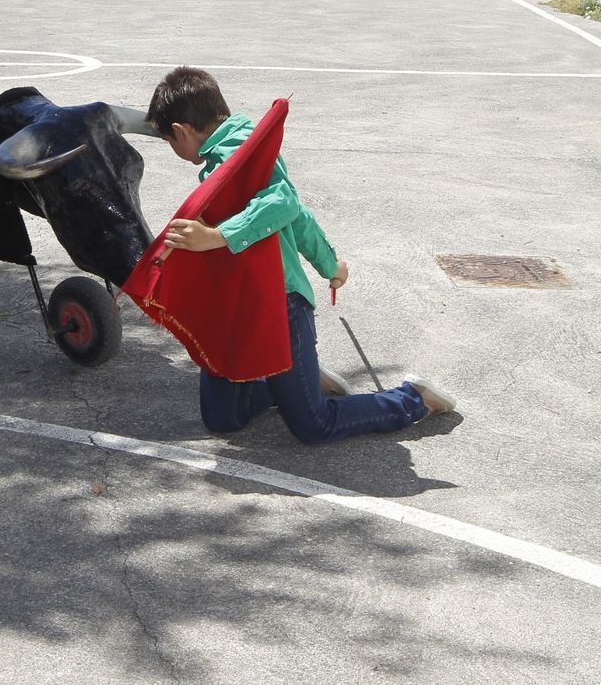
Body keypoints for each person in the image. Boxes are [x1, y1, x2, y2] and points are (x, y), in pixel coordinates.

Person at [145, 66, 455, 444]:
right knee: (223, 417)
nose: (174, 151)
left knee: (313, 424)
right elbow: (299, 218)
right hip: (239, 300)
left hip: (280, 302)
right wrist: (330, 264)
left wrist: (216, 236)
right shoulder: (231, 153)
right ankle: (300, 381)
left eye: (168, 142)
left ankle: (413, 399)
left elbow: (285, 204)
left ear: (180, 131)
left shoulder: (236, 154)